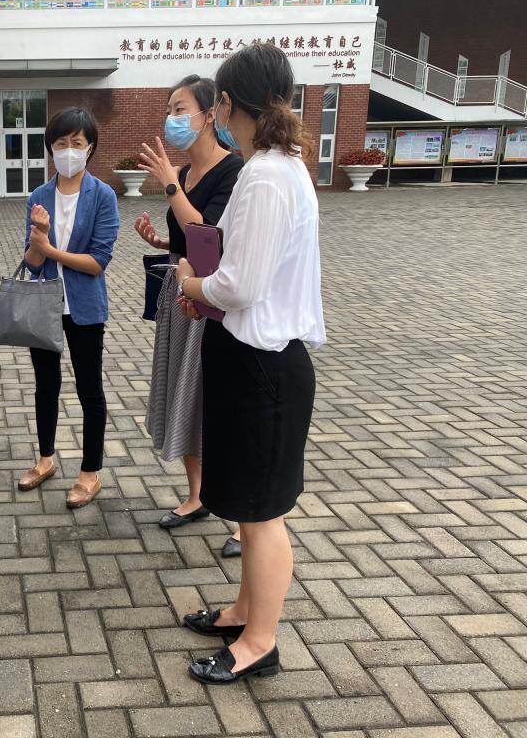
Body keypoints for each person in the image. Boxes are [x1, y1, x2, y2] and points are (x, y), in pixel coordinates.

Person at [176, 43, 324, 684]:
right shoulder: (278, 165)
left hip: (262, 363)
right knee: (251, 508)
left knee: (262, 516)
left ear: (227, 104)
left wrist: (191, 282)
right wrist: (208, 288)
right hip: (253, 358)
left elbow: (241, 285)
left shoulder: (264, 175)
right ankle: (244, 611)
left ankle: (259, 643)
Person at [134, 75, 244, 557]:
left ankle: (245, 519)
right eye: (170, 110)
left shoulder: (232, 171)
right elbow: (186, 237)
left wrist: (169, 184)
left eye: (180, 109)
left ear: (210, 114)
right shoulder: (185, 174)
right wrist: (163, 242)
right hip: (181, 299)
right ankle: (198, 495)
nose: (172, 119)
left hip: (213, 304)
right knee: (184, 397)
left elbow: (210, 233)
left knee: (216, 403)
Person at [19, 107, 120, 509]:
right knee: (45, 385)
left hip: (84, 306)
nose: (68, 151)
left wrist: (50, 248)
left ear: (90, 147)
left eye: (76, 143)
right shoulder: (38, 197)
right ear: (50, 148)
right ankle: (45, 459)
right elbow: (31, 262)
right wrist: (38, 242)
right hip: (44, 302)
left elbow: (98, 262)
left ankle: (89, 472)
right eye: (60, 143)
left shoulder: (103, 196)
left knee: (89, 388)